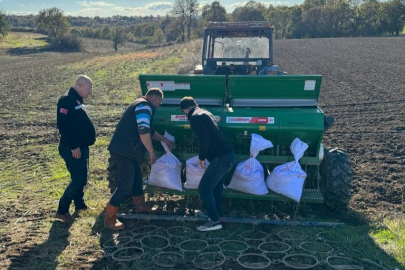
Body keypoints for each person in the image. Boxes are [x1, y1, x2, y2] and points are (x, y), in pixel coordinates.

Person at [105, 88, 176, 230]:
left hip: (129, 151)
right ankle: (110, 219)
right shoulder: (145, 106)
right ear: (155, 99)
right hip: (124, 152)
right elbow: (143, 130)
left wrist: (165, 141)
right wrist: (151, 151)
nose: (158, 106)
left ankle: (141, 207)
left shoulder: (140, 104)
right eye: (159, 103)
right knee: (125, 186)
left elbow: (150, 130)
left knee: (137, 179)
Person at [179, 97, 236, 232]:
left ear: (184, 111)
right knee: (216, 187)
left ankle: (215, 221)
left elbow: (205, 139)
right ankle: (214, 213)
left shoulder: (194, 117)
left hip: (221, 158)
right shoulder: (204, 112)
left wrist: (202, 157)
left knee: (204, 189)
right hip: (229, 155)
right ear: (196, 104)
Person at [55, 75, 96, 222]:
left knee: (80, 177)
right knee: (79, 180)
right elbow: (63, 126)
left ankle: (80, 204)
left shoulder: (77, 100)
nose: (90, 92)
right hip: (73, 148)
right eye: (88, 88)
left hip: (81, 146)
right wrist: (73, 146)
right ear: (79, 85)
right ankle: (62, 210)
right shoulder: (66, 100)